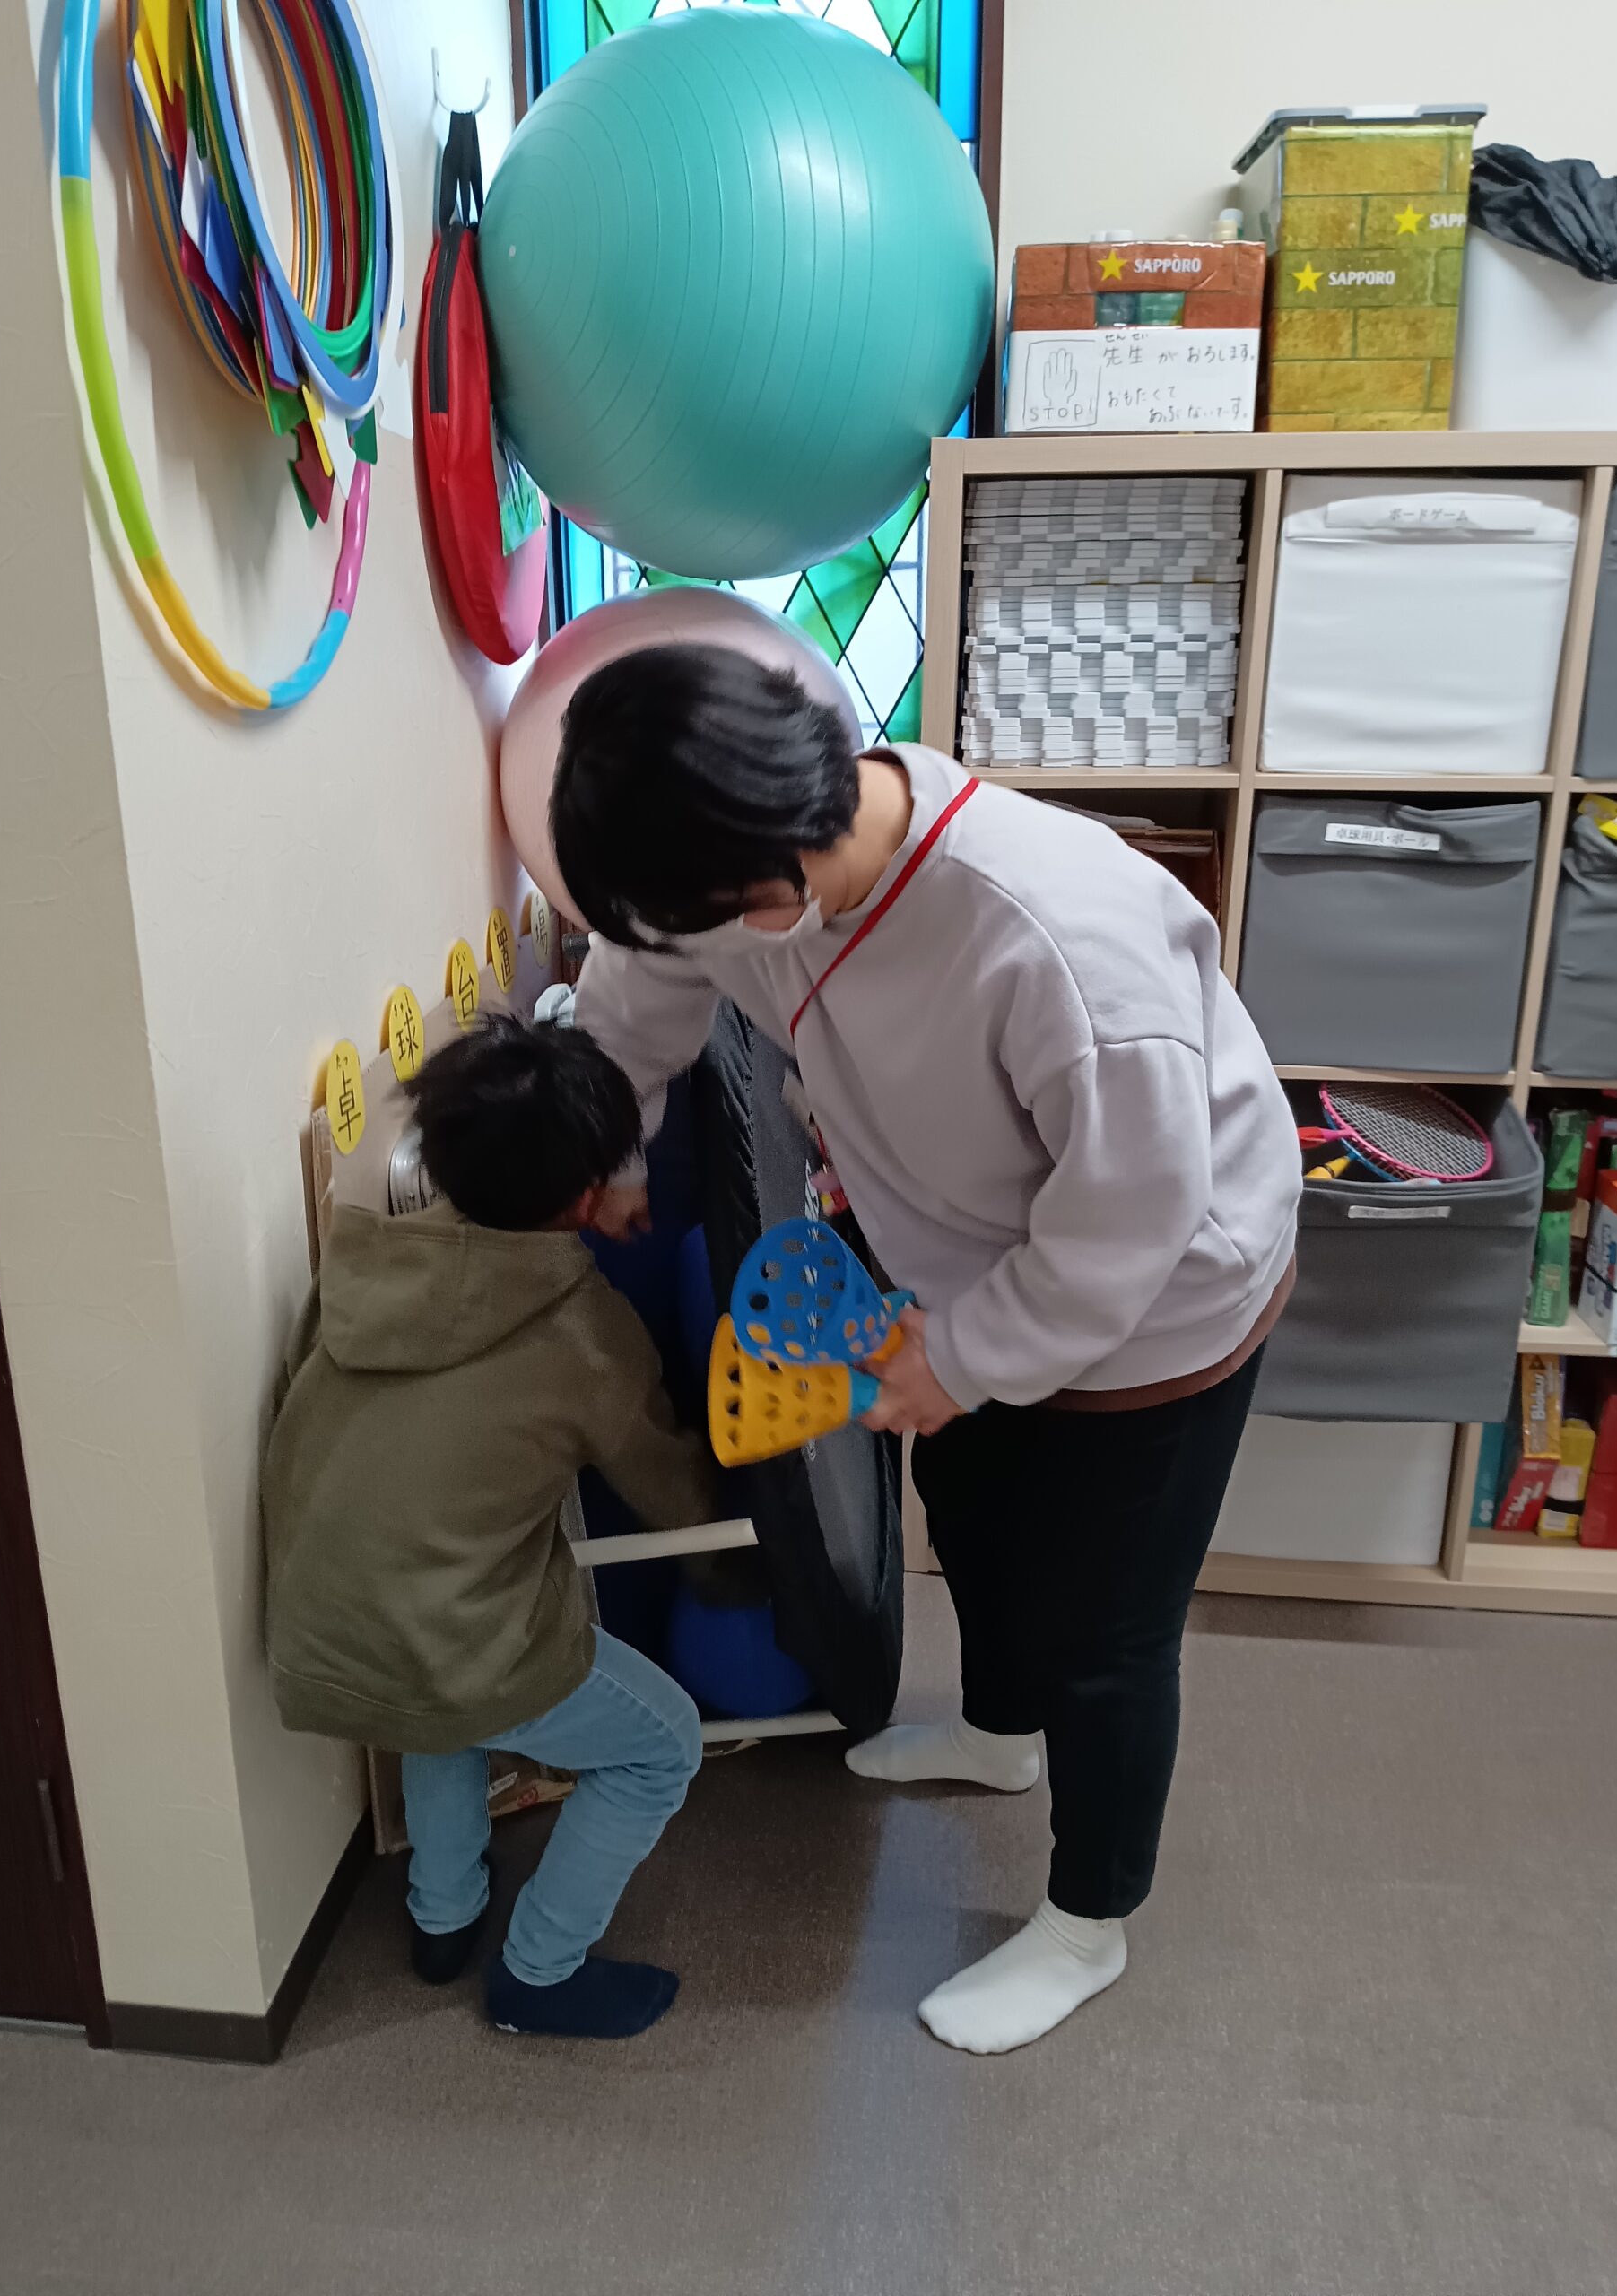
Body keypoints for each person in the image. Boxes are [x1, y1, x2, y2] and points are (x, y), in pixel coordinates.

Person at [555, 644, 1301, 2057]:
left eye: (698, 919)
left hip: (1163, 1292)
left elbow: (1127, 1225)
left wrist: (961, 1362)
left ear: (771, 880)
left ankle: (1088, 1922)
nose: (679, 943)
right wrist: (609, 1152)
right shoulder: (729, 868)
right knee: (974, 1514)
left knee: (1107, 1625)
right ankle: (999, 1734)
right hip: (959, 1247)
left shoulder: (1055, 939)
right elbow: (637, 994)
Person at [262, 1015, 717, 2040]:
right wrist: (750, 1569)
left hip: (321, 1624)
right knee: (661, 1743)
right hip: (445, 1640)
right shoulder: (585, 1334)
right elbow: (671, 1487)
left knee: (440, 1700)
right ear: (585, 1195)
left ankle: (443, 1914)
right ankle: (540, 1971)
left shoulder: (358, 1262)